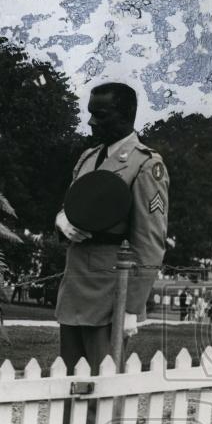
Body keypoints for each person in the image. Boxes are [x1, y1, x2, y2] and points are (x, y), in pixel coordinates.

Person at [54, 82, 169, 372]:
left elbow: (150, 241)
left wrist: (131, 307)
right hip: (75, 285)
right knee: (69, 383)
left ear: (126, 114)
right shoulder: (88, 159)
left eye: (101, 115)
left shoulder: (145, 164)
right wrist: (61, 219)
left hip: (110, 293)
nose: (91, 122)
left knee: (100, 386)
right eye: (90, 113)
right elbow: (73, 206)